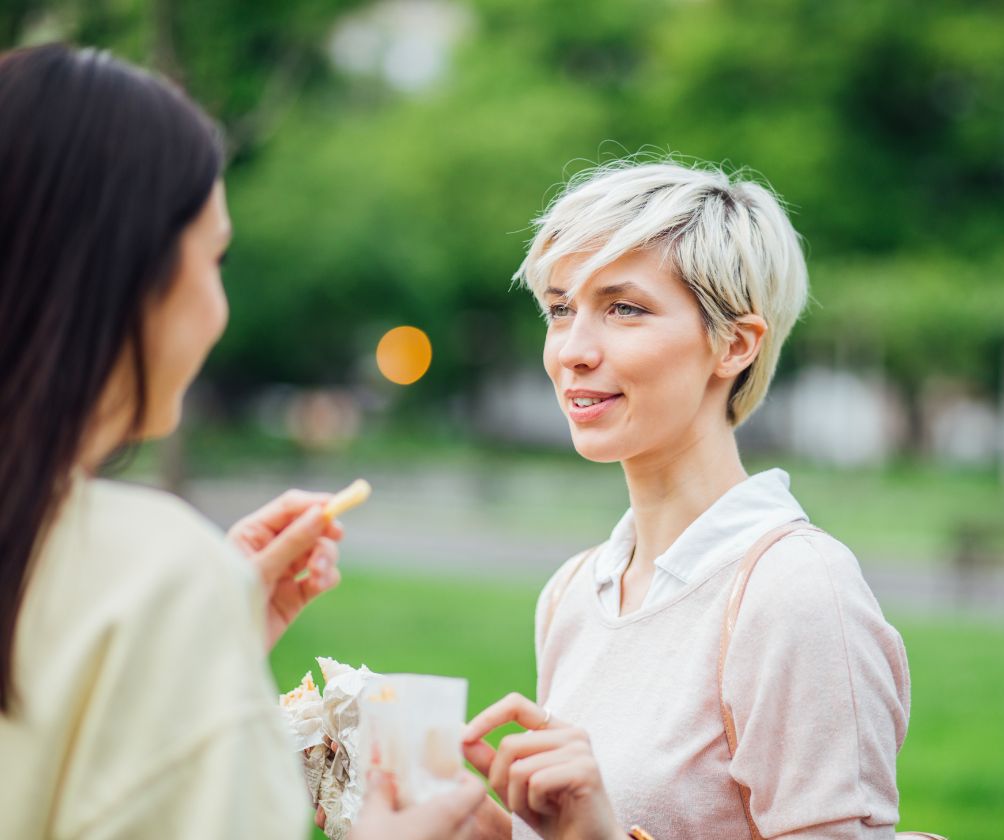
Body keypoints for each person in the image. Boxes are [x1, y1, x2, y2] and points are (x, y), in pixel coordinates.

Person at [0, 43, 483, 839]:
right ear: (131, 276)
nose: (220, 308)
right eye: (215, 256)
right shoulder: (162, 576)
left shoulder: (152, 587)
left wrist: (207, 646)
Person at [462, 160, 911, 839]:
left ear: (734, 344)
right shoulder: (572, 593)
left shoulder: (796, 590)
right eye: (560, 309)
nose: (573, 351)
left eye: (624, 309)